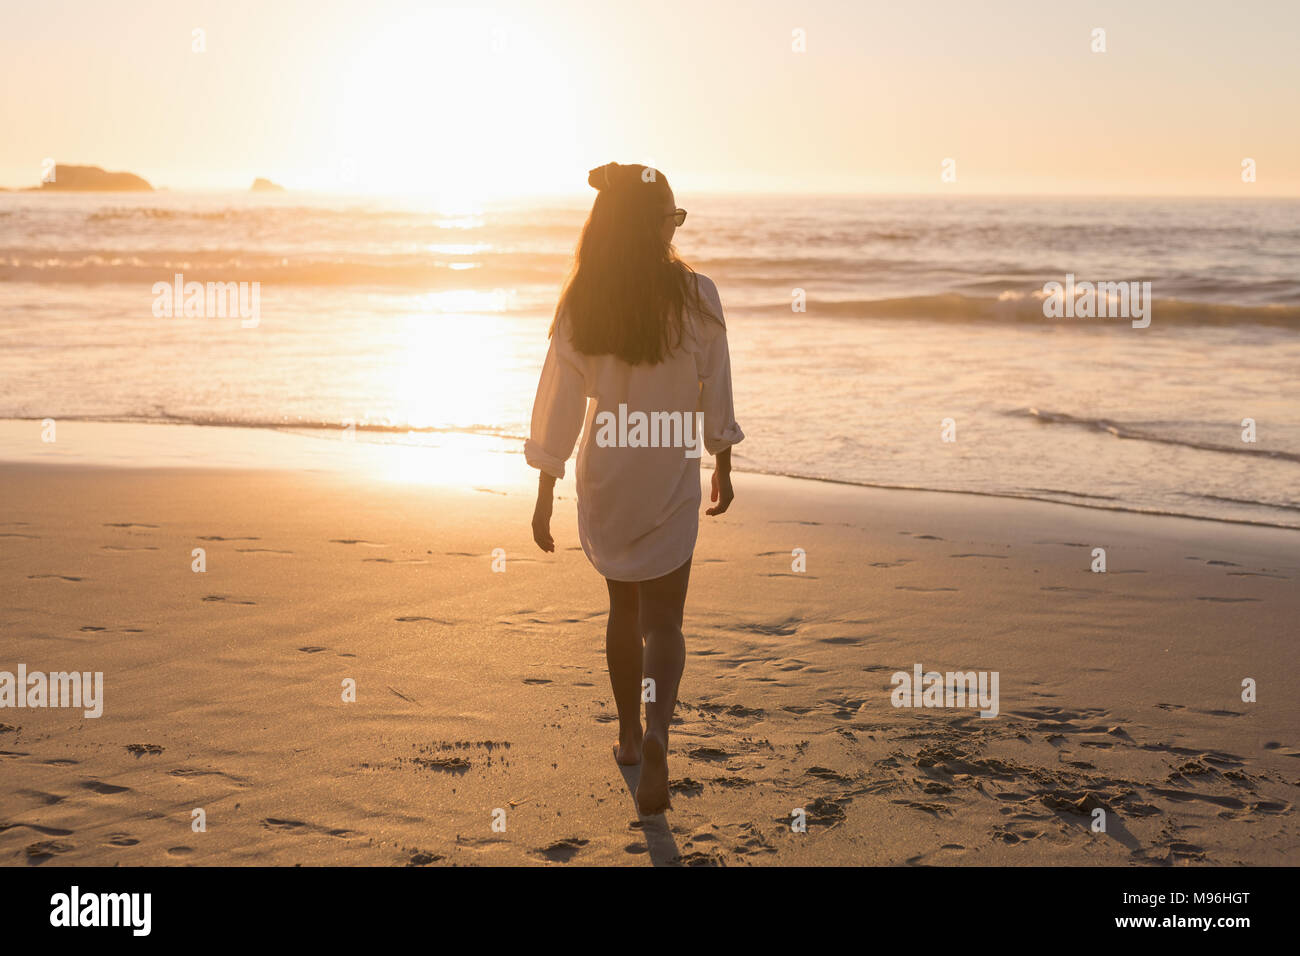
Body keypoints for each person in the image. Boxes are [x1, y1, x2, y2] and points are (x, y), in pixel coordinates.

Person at [526, 162, 744, 815]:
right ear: (657, 225)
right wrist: (723, 460)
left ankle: (626, 735)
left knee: (622, 611)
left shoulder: (584, 299)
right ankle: (657, 733)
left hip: (610, 470)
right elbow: (717, 383)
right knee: (665, 620)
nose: (675, 230)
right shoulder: (697, 296)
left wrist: (544, 489)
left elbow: (559, 402)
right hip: (669, 466)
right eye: (671, 219)